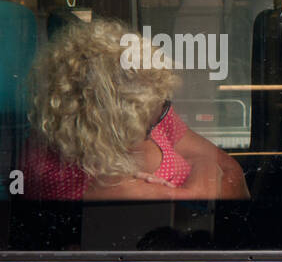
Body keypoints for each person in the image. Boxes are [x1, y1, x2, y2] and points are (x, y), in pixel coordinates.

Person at [23, 19, 248, 200]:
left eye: (162, 110)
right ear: (112, 124)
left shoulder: (155, 114)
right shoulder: (72, 176)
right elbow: (198, 203)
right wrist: (208, 166)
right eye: (146, 124)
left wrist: (205, 168)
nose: (158, 123)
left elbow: (234, 173)